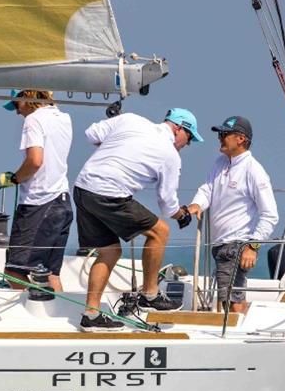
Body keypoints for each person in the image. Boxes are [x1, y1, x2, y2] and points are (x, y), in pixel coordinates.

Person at [74, 108, 203, 331]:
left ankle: (91, 315)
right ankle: (150, 295)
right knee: (160, 231)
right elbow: (167, 204)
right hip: (109, 194)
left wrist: (116, 138)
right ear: (178, 128)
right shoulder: (170, 155)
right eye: (189, 138)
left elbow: (91, 134)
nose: (186, 144)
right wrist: (181, 215)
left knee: (110, 251)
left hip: (83, 189)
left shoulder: (129, 119)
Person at [187, 115, 278, 313]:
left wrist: (252, 246)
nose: (220, 137)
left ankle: (237, 337)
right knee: (230, 296)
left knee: (231, 300)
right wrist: (197, 204)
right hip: (221, 245)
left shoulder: (254, 170)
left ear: (241, 139)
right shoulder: (220, 163)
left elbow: (270, 215)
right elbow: (207, 189)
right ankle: (240, 334)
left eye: (224, 134)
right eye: (220, 134)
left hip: (236, 245)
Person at [0, 89, 73, 292]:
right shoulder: (63, 118)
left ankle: (30, 312)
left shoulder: (34, 120)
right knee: (51, 274)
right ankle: (53, 317)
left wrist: (14, 178)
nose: (16, 112)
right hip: (63, 202)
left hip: (39, 203)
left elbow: (35, 161)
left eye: (16, 105)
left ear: (27, 96)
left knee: (14, 272)